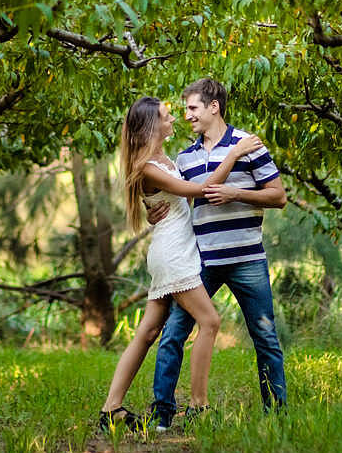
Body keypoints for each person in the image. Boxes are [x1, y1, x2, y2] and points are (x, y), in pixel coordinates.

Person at [98, 96, 263, 432]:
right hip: (173, 253)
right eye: (166, 115)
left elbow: (174, 200)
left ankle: (111, 408)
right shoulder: (147, 166)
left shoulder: (161, 159)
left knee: (148, 332)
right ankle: (199, 406)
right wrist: (234, 153)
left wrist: (154, 211)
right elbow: (202, 190)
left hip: (173, 249)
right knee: (210, 321)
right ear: (151, 125)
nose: (174, 118)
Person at [149, 78, 287, 430]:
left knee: (265, 337)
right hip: (201, 260)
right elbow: (178, 199)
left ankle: (277, 414)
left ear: (214, 107)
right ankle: (162, 413)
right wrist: (152, 212)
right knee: (173, 333)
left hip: (247, 258)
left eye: (193, 108)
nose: (187, 115)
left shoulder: (248, 144)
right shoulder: (184, 157)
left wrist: (236, 194)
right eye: (185, 109)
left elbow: (278, 196)